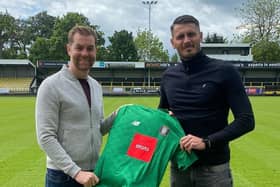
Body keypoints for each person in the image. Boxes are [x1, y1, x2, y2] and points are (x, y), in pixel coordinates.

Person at [158, 15, 255, 187]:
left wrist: (207, 142)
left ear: (200, 36)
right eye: (180, 36)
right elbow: (161, 119)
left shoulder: (225, 71)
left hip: (214, 170)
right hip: (179, 168)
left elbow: (246, 120)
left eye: (191, 34)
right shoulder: (168, 76)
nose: (187, 40)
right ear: (172, 42)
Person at [35, 25, 115, 187]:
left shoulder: (95, 86)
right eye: (79, 47)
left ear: (95, 51)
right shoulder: (51, 85)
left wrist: (119, 115)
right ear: (69, 49)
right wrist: (75, 172)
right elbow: (45, 137)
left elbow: (97, 128)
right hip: (63, 176)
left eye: (90, 48)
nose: (85, 53)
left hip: (92, 174)